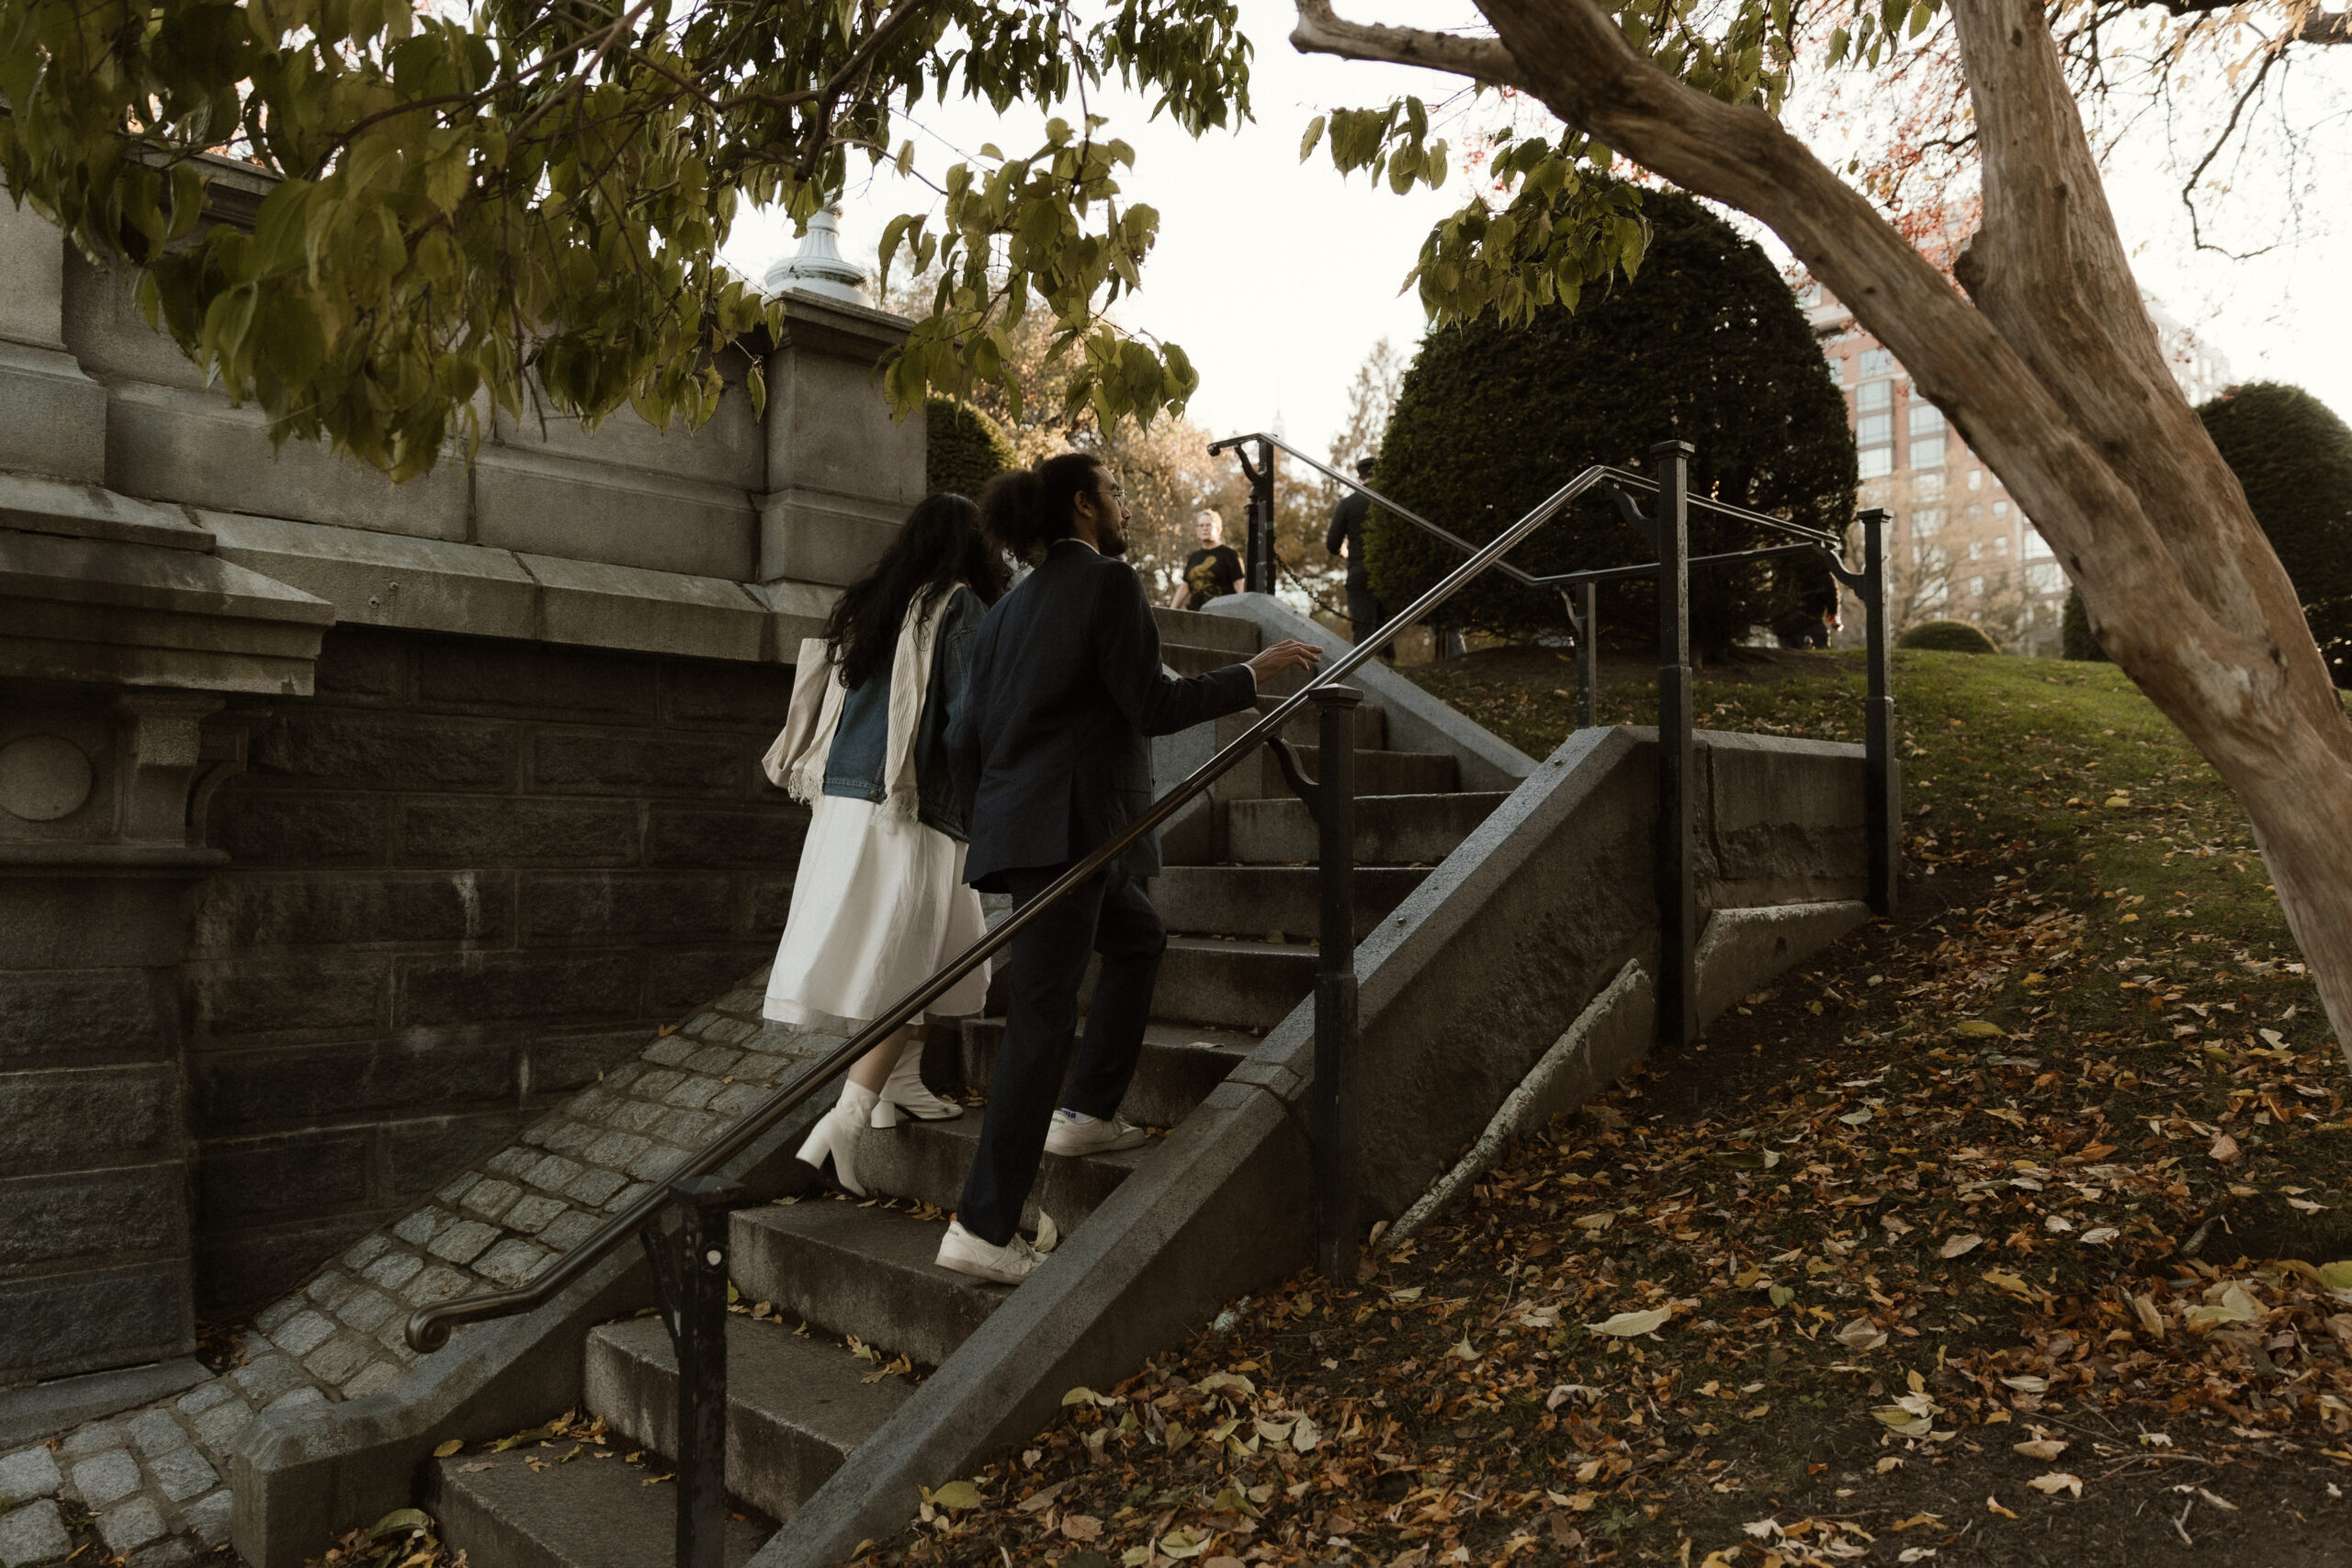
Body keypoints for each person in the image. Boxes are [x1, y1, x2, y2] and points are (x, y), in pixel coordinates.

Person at [934, 454, 1323, 1283]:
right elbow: (1152, 703)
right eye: (1113, 492)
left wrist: (996, 822)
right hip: (1074, 835)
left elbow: (961, 735)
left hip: (1042, 836)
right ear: (1083, 505)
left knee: (1139, 936)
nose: (1123, 506)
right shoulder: (1107, 582)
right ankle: (981, 1224)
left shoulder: (1008, 610)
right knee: (1039, 1022)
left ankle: (1086, 1110)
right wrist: (1251, 674)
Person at [764, 493, 1010, 1196]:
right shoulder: (959, 605)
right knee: (907, 964)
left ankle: (897, 1083)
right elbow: (969, 717)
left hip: (847, 801)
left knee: (912, 947)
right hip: (913, 806)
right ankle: (846, 1118)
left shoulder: (875, 604)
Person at [1325, 456, 1386, 650]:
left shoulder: (1348, 503)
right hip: (1388, 570)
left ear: (1359, 479)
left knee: (1364, 631)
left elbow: (1332, 543)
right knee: (1388, 631)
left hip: (1360, 569)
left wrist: (1345, 551)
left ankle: (1363, 668)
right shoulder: (1390, 500)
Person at [1170, 508, 1244, 609]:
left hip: (1221, 613)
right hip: (1195, 613)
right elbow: (1185, 587)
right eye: (1201, 525)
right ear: (1197, 531)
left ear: (1218, 529)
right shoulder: (1194, 557)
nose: (1205, 528)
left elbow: (1239, 585)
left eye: (1209, 525)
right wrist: (1170, 611)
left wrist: (1244, 611)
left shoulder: (1230, 555)